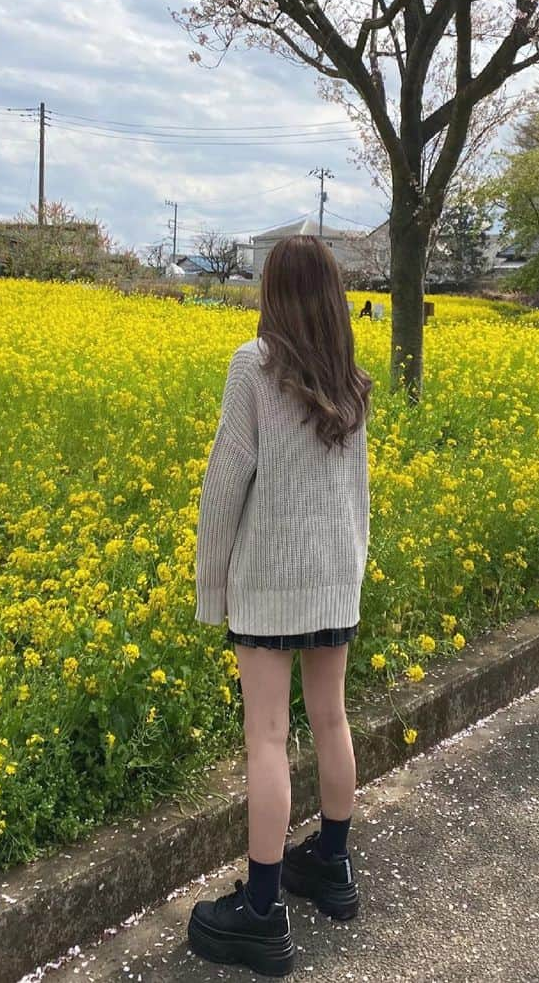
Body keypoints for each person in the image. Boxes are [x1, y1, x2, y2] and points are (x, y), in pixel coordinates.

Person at [187, 235, 373, 977]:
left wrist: (210, 586)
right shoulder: (352, 381)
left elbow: (224, 485)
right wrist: (352, 571)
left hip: (269, 582)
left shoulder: (253, 367)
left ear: (274, 293)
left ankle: (262, 911)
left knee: (267, 734)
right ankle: (332, 863)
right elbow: (358, 494)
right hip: (334, 577)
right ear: (331, 298)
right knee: (330, 716)